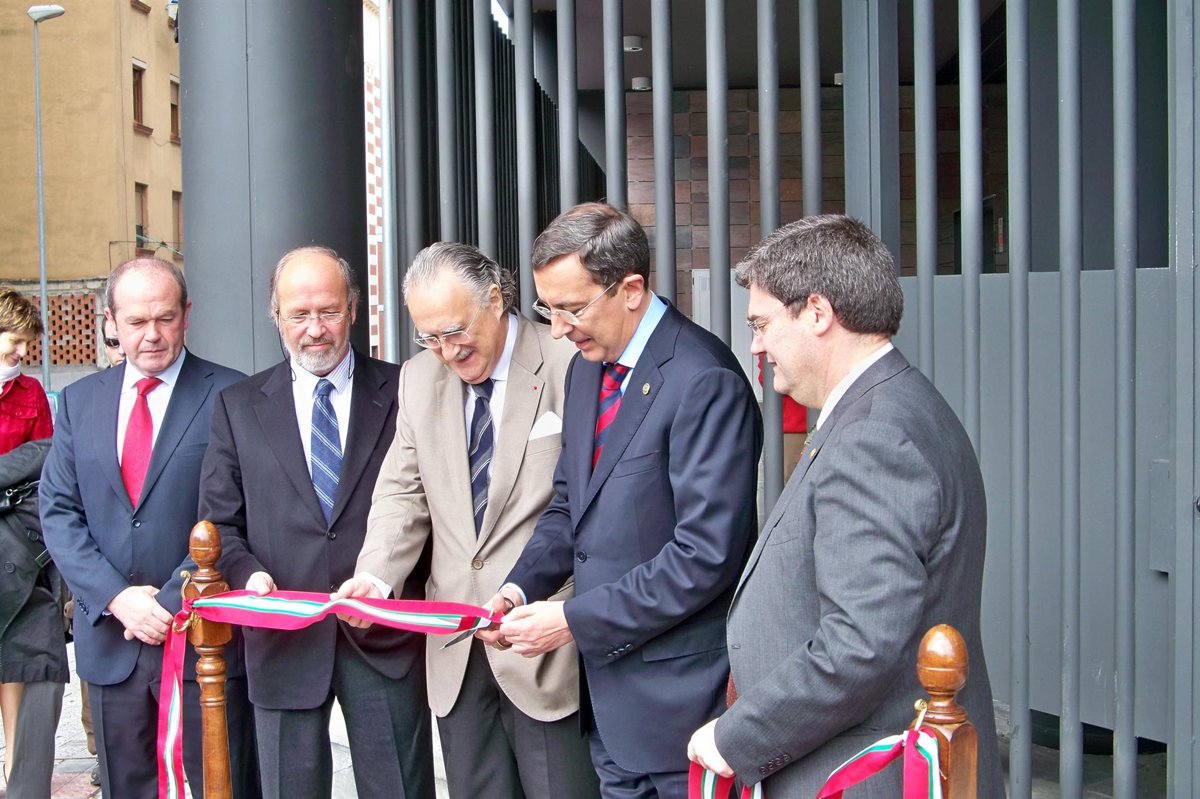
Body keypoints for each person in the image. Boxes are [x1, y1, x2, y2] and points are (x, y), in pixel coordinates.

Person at [685, 214, 1004, 797]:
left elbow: (858, 645)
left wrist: (736, 740)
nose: (756, 345)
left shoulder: (873, 436)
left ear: (817, 312)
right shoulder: (889, 405)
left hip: (862, 774)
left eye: (761, 324)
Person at [481, 203, 763, 799]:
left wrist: (572, 621)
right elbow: (569, 507)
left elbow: (704, 556)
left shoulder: (704, 379)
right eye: (547, 310)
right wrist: (518, 588)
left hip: (684, 711)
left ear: (631, 289)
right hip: (608, 707)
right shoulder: (586, 369)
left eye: (572, 308)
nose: (559, 329)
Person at [334, 242, 598, 799]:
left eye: (455, 331)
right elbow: (402, 492)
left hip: (545, 644)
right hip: (456, 646)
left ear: (495, 300)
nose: (447, 352)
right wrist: (375, 577)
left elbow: (589, 504)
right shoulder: (417, 378)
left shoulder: (568, 361)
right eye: (429, 337)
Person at [199, 246, 435, 799]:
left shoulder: (408, 390)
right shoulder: (237, 406)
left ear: (353, 309)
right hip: (282, 638)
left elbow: (432, 503)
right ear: (275, 316)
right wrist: (248, 574)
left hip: (383, 635)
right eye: (298, 315)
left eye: (328, 311)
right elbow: (218, 524)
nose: (315, 329)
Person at [39, 258, 260, 799]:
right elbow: (59, 511)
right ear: (111, 321)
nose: (152, 335)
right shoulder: (80, 402)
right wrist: (117, 598)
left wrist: (166, 602)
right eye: (136, 322)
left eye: (165, 318)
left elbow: (233, 512)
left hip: (201, 642)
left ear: (187, 314)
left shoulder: (231, 395)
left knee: (219, 785)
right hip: (110, 641)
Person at [0, 287, 60, 798]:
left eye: (26, 344)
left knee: (23, 665)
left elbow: (45, 460)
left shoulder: (31, 394)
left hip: (15, 544)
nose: (21, 353)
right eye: (14, 341)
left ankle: (18, 776)